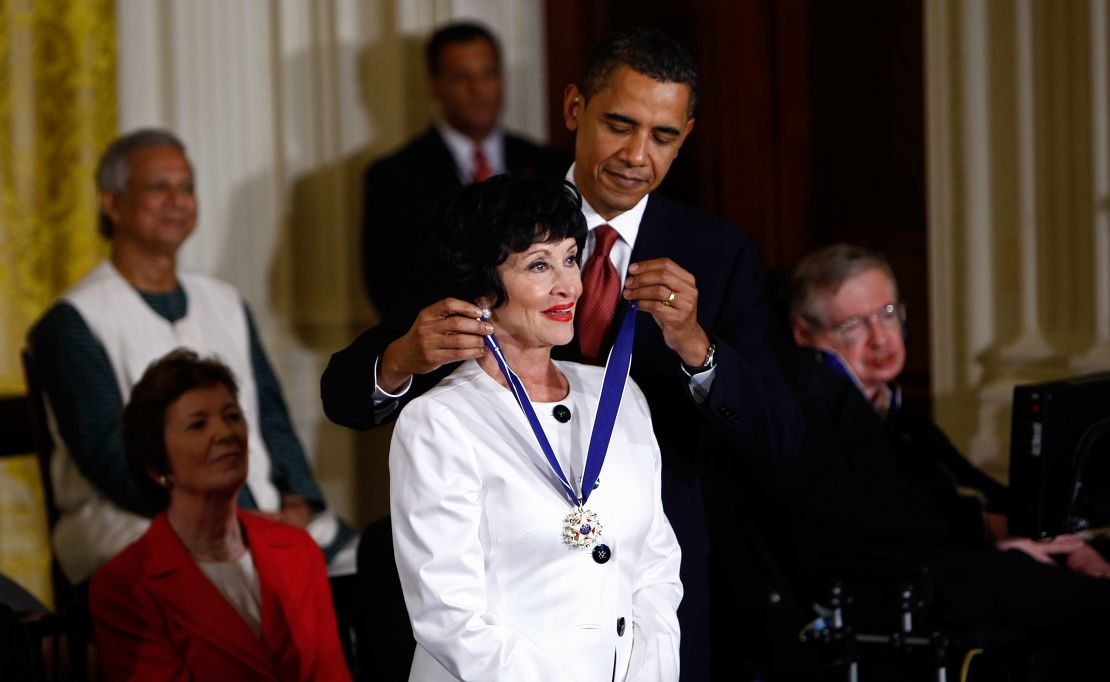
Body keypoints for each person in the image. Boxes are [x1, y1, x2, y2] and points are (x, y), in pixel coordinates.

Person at [324, 28, 802, 680]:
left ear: (686, 136)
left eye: (663, 136)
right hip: (501, 602)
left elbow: (781, 436)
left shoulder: (717, 253)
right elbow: (345, 392)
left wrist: (695, 342)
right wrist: (403, 357)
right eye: (619, 124)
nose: (637, 155)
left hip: (647, 606)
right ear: (575, 109)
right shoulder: (495, 221)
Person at [732, 243, 1110, 677]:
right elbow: (866, 519)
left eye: (888, 313)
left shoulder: (890, 405)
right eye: (853, 325)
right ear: (803, 333)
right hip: (893, 586)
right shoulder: (804, 403)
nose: (881, 339)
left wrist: (1049, 534)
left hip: (942, 564)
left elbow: (964, 488)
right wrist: (990, 529)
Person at [27, 129, 356, 585]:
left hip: (260, 513)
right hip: (138, 519)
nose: (177, 201)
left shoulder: (225, 302)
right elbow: (110, 459)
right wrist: (233, 521)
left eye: (187, 188)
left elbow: (271, 419)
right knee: (242, 584)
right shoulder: (73, 321)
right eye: (159, 188)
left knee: (369, 566)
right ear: (113, 203)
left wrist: (297, 501)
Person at [390, 174, 681, 681]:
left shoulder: (621, 395)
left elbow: (656, 569)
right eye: (539, 265)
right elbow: (448, 616)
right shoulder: (438, 422)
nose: (568, 284)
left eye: (571, 258)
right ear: (483, 287)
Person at [89, 350, 350, 681]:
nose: (225, 433)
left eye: (231, 415)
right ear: (157, 466)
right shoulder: (125, 585)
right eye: (198, 424)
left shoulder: (298, 547)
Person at [362, 21, 567, 321]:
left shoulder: (549, 165)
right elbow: (388, 288)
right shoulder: (393, 176)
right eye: (462, 77)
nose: (479, 89)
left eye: (489, 74)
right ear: (434, 86)